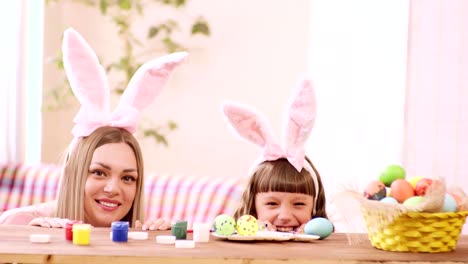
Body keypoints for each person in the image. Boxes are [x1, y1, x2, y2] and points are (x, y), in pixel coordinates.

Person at [0, 28, 188, 229]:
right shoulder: (21, 225)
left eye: (127, 178)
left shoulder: (136, 235)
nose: (113, 188)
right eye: (99, 172)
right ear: (75, 173)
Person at [222, 77, 328, 233]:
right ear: (253, 205)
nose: (284, 216)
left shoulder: (326, 236)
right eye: (272, 204)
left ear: (315, 205)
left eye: (299, 204)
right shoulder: (236, 236)